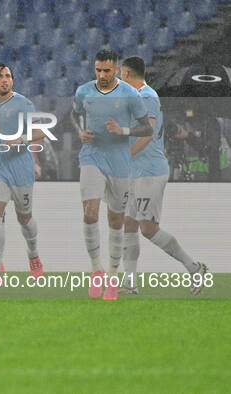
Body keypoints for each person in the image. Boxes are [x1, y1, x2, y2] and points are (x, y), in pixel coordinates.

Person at [117, 56, 208, 295]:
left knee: (148, 229)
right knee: (129, 223)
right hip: (137, 172)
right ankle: (130, 282)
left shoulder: (147, 97)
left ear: (127, 74)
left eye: (120, 74)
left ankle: (193, 267)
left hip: (149, 172)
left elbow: (146, 134)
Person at [70, 49, 153, 299]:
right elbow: (74, 114)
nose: (102, 75)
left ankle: (113, 277)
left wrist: (123, 130)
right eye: (98, 70)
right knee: (90, 212)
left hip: (119, 162)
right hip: (91, 156)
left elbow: (146, 128)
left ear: (117, 70)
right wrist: (79, 133)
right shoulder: (84, 91)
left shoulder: (129, 94)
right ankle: (96, 272)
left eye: (107, 70)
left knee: (116, 221)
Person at [0, 63, 48, 284]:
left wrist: (19, 139)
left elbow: (40, 132)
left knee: (24, 218)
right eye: (0, 76)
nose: (5, 80)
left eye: (8, 76)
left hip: (21, 168)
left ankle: (34, 255)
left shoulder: (23, 103)